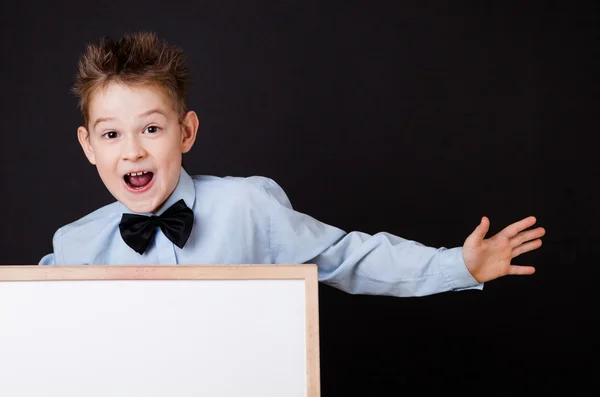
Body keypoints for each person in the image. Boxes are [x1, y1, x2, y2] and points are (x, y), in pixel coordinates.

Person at [39, 31, 545, 297]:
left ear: (186, 132)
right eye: (111, 134)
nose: (133, 151)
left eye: (151, 128)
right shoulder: (73, 245)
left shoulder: (247, 206)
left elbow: (348, 258)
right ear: (88, 146)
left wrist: (457, 265)